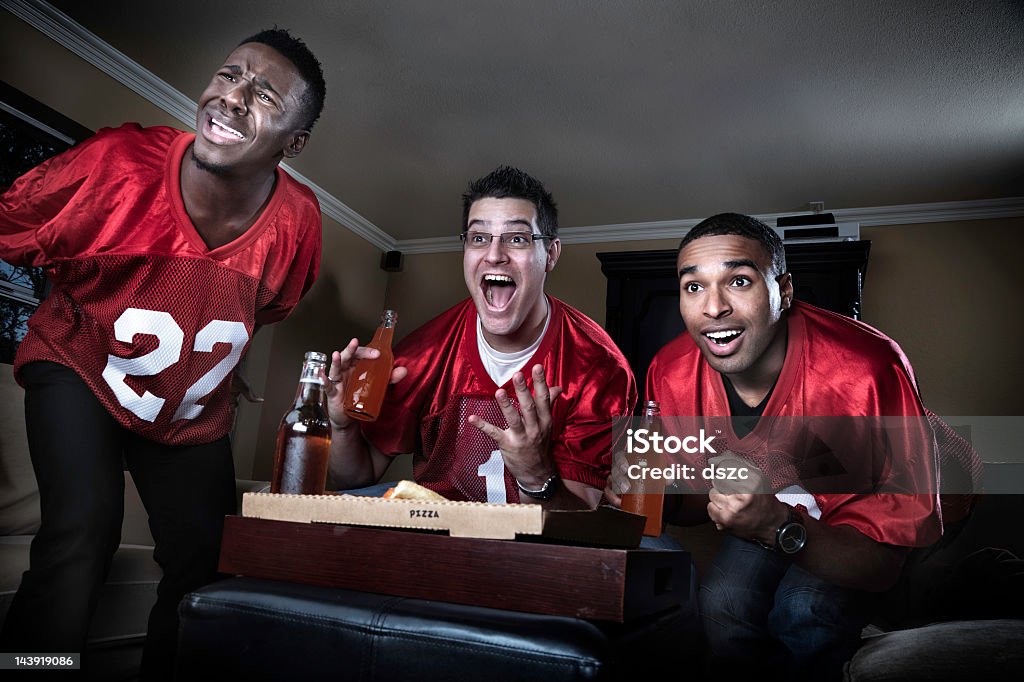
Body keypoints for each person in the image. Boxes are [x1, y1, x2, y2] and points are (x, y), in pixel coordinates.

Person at [0, 29, 325, 678]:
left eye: (262, 94)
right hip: (79, 365)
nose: (233, 98)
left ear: (294, 143)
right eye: (229, 75)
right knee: (82, 532)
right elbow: (13, 224)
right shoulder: (118, 163)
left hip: (186, 409)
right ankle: (35, 669)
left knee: (207, 553)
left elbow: (269, 307)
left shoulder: (300, 222)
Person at [606, 213, 941, 680]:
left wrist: (776, 524)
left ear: (783, 291)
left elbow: (884, 561)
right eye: (694, 287)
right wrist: (649, 484)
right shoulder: (668, 370)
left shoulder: (869, 368)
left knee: (804, 610)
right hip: (780, 505)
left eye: (738, 280)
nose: (713, 307)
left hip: (873, 521)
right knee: (722, 607)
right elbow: (696, 502)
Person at [326, 166, 636, 508]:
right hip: (437, 542)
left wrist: (535, 474)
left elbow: (580, 520)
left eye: (517, 238)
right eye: (478, 238)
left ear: (550, 254)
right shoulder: (421, 355)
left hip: (538, 554)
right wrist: (342, 426)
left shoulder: (599, 367)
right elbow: (354, 479)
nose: (494, 254)